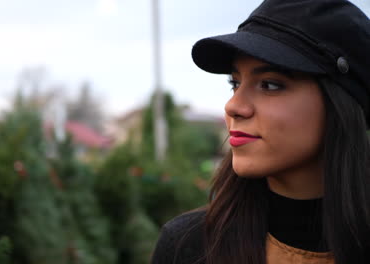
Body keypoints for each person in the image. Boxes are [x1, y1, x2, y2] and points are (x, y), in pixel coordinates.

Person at [150, 0, 370, 263]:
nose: (233, 106)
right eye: (235, 83)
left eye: (270, 85)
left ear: (340, 104)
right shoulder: (188, 246)